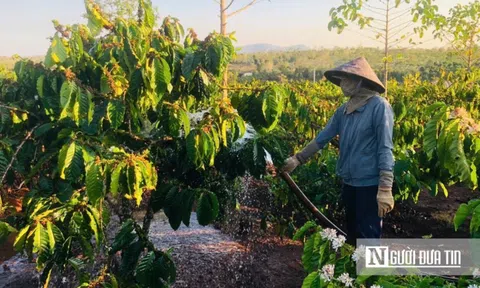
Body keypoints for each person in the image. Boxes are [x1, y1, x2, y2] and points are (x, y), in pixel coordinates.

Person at [281, 57, 395, 246]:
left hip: (370, 184)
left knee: (368, 236)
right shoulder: (344, 110)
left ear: (361, 81)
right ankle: (352, 273)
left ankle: (370, 275)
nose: (343, 84)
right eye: (342, 79)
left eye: (348, 79)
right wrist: (297, 159)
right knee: (352, 235)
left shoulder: (379, 107)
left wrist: (385, 188)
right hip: (349, 182)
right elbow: (322, 138)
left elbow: (385, 148)